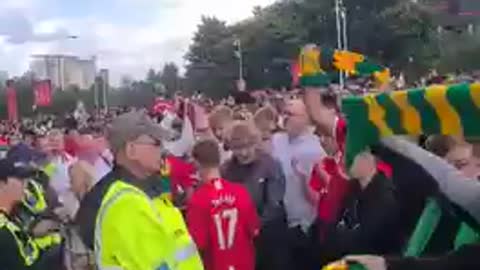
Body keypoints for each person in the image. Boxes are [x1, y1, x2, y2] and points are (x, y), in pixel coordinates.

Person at [76, 111, 202, 270]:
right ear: (131, 150)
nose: (162, 150)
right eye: (156, 143)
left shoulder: (145, 192)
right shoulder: (126, 203)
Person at [221, 121, 289, 270]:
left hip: (269, 237)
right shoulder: (226, 170)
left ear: (255, 143)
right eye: (238, 148)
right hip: (239, 240)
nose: (244, 153)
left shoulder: (270, 165)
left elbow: (274, 205)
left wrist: (251, 227)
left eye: (248, 146)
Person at [187, 139, 260, 270]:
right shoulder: (240, 191)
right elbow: (254, 230)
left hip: (216, 264)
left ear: (197, 163)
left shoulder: (199, 199)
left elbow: (198, 242)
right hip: (243, 264)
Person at [320, 151, 403, 265]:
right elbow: (338, 222)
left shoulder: (384, 197)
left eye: (351, 158)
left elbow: (366, 238)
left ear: (369, 161)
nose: (345, 161)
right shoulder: (353, 189)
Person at [271, 99, 325, 270]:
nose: (285, 118)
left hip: (305, 225)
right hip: (279, 222)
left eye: (291, 114)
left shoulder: (316, 149)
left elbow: (322, 191)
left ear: (306, 118)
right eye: (284, 112)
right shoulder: (276, 141)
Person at [0, 158, 63, 270]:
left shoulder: (12, 215)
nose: (25, 186)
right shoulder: (3, 232)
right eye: (20, 180)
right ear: (2, 184)